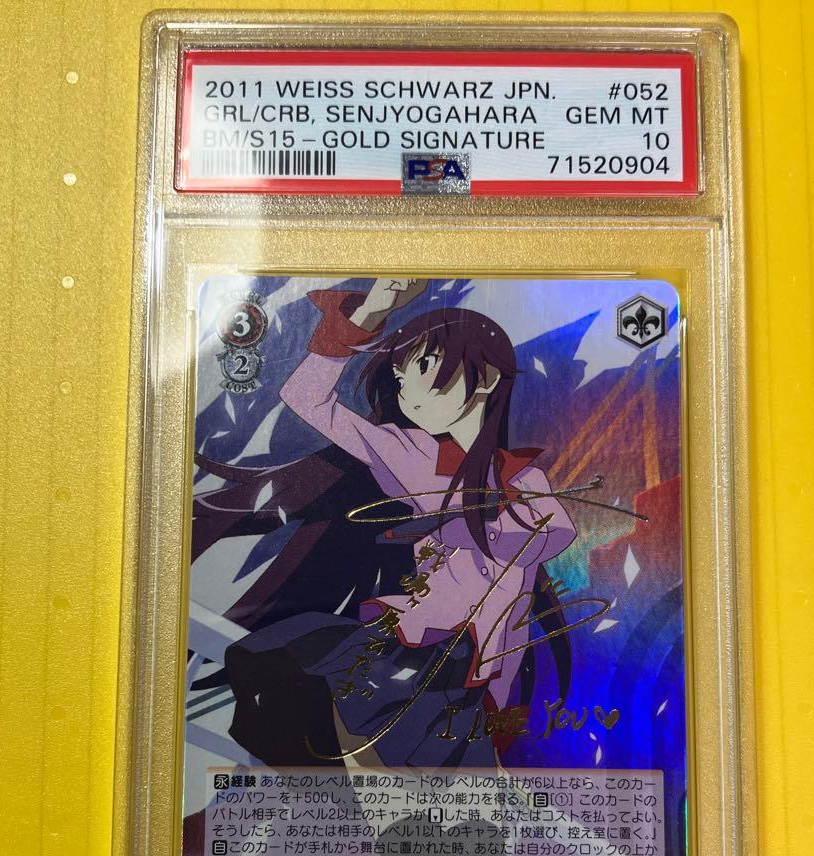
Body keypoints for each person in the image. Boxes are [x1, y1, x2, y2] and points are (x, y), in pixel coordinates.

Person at [197, 278, 577, 770]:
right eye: (399, 378)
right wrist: (369, 314)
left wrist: (468, 523)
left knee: (449, 785)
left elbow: (551, 533)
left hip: (480, 671)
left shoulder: (524, 478)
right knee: (289, 674)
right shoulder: (409, 451)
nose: (406, 391)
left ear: (483, 377)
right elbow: (306, 397)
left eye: (422, 367)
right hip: (414, 647)